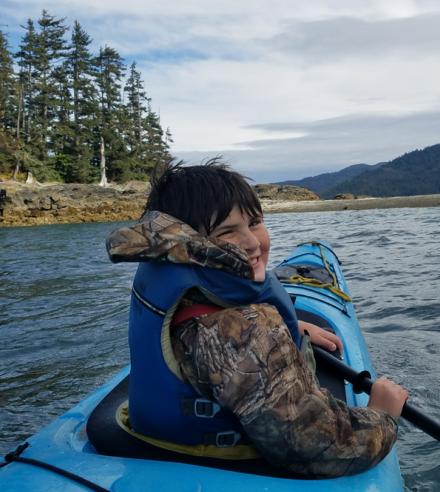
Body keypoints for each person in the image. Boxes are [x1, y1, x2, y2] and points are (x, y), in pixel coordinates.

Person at [106, 159, 408, 478]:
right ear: (190, 245)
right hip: (220, 462)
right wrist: (382, 415)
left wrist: (289, 324)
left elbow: (212, 324)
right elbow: (320, 447)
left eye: (254, 223)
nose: (252, 243)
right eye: (227, 233)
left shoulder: (177, 280)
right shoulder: (245, 332)